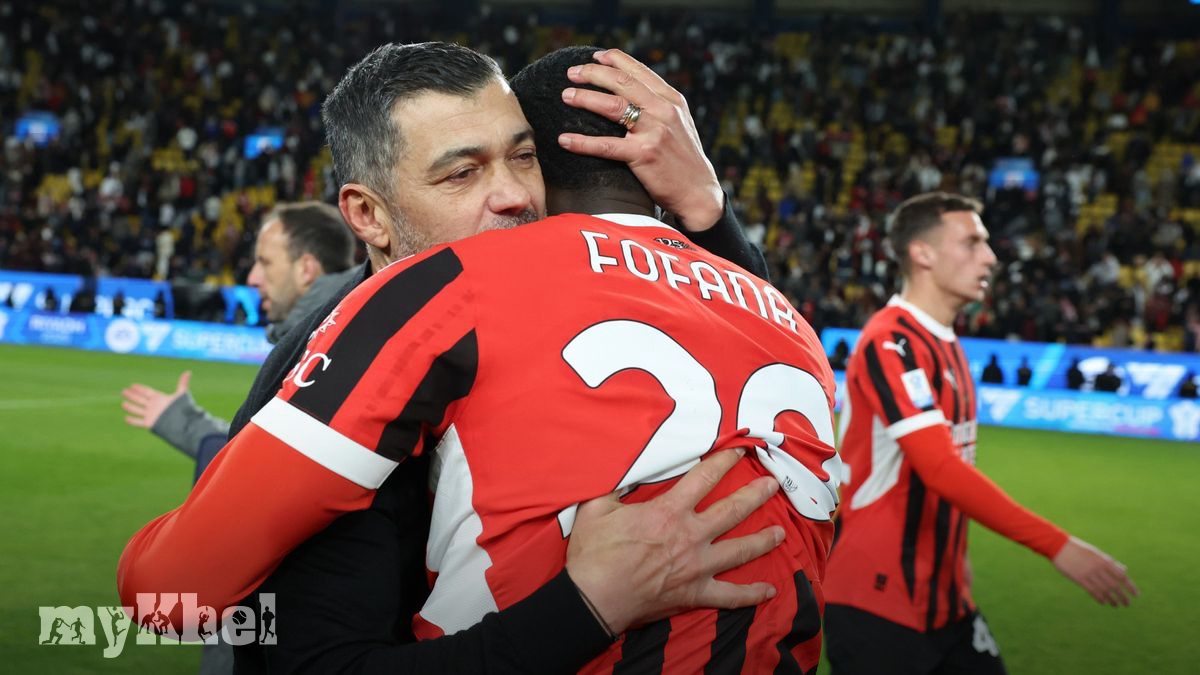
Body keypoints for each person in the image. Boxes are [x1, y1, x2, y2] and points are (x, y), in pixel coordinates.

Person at [119, 42, 782, 674]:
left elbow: (747, 356)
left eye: (523, 157)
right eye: (462, 173)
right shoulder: (352, 370)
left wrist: (705, 207)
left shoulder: (522, 312)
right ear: (368, 216)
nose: (516, 195)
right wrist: (585, 606)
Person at [823, 192, 1137, 675]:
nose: (990, 257)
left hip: (945, 597)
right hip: (878, 602)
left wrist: (956, 558)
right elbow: (940, 469)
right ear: (922, 254)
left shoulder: (946, 344)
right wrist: (1057, 545)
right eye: (972, 242)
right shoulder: (891, 341)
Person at [120, 202, 358, 481]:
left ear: (306, 268)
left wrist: (188, 426)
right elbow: (272, 451)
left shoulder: (331, 353)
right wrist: (188, 424)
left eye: (265, 262)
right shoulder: (330, 335)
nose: (252, 278)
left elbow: (275, 476)